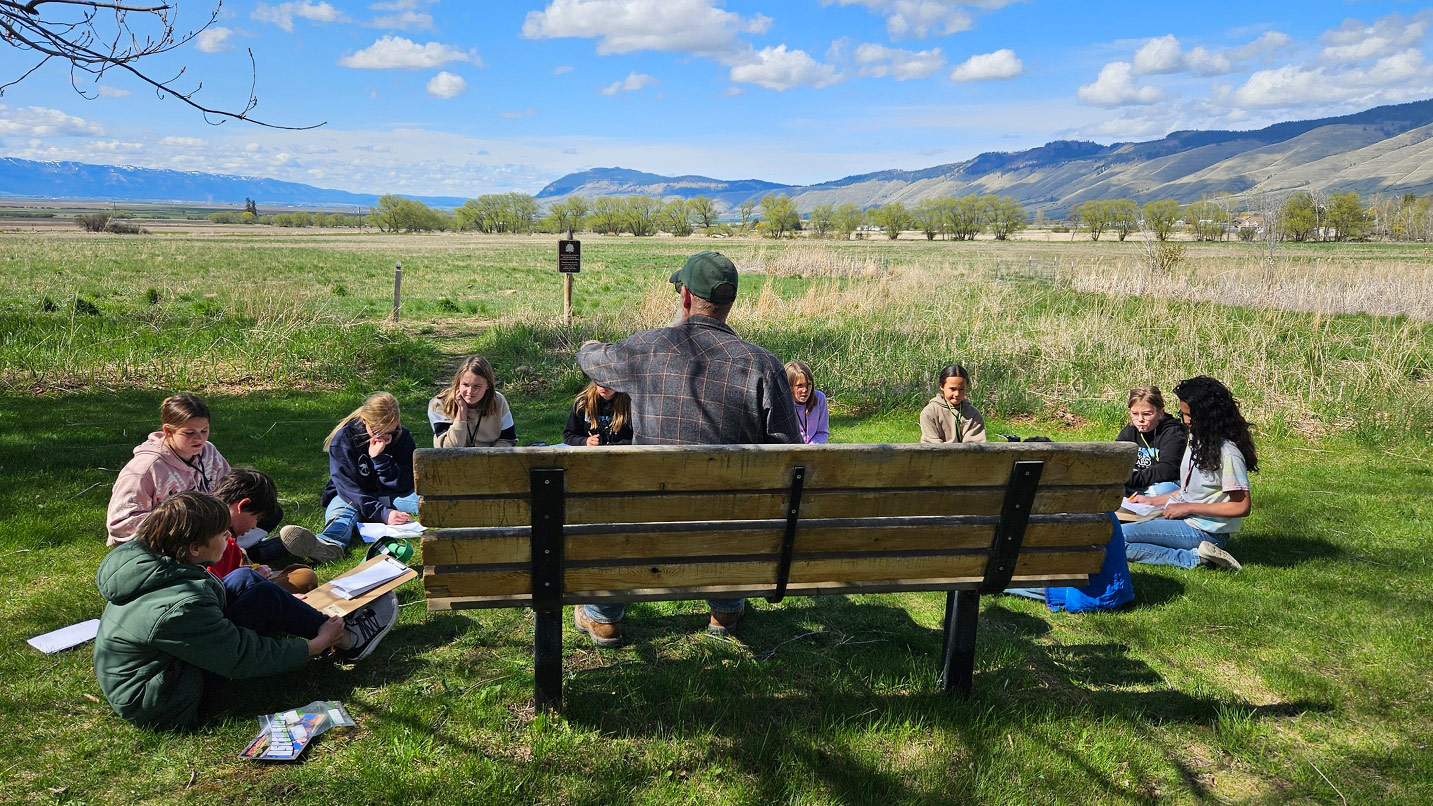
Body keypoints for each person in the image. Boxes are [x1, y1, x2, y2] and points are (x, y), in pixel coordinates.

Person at [575, 250, 801, 644]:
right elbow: (790, 455)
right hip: (730, 527)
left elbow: (591, 359)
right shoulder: (764, 365)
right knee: (732, 507)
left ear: (684, 297)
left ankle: (604, 614)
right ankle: (726, 609)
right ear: (731, 303)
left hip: (652, 520)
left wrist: (593, 343)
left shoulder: (648, 350)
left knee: (610, 507)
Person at [94, 491, 398, 730]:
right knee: (261, 595)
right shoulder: (181, 607)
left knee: (245, 578)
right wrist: (312, 647)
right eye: (221, 534)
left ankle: (336, 630)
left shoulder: (157, 559)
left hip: (167, 665)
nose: (229, 539)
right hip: (164, 699)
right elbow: (241, 656)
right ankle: (346, 641)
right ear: (195, 548)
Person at [1123, 376, 1257, 571]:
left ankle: (1192, 558)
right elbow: (1189, 492)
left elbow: (1241, 506)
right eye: (1183, 413)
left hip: (1205, 531)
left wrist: (1186, 508)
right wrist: (1152, 502)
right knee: (1112, 533)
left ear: (1208, 415)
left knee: (1117, 538)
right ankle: (1202, 555)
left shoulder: (1228, 453)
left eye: (1190, 415)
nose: (1186, 421)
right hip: (1185, 520)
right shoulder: (1198, 440)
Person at [279, 392, 416, 563]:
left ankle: (451, 514)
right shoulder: (345, 439)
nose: (383, 437)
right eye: (376, 431)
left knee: (423, 499)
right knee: (340, 516)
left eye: (389, 432)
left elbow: (406, 483)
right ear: (364, 421)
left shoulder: (402, 437)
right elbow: (348, 488)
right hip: (350, 497)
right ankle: (328, 544)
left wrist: (380, 461)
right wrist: (382, 513)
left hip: (390, 493)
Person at [106, 393, 232, 546]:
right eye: (189, 433)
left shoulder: (208, 453)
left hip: (202, 537)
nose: (199, 439)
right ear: (168, 431)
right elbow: (120, 524)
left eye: (204, 431)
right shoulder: (146, 469)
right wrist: (181, 524)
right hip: (157, 546)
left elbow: (228, 489)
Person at [207, 469, 318, 595]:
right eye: (257, 518)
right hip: (229, 605)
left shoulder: (227, 540)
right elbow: (217, 594)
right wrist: (251, 579)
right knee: (305, 578)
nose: (254, 526)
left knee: (304, 574)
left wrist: (249, 573)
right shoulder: (213, 541)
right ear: (242, 505)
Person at [427, 355, 518, 448]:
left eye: (477, 386)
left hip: (490, 459)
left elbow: (508, 440)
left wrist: (487, 458)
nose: (470, 391)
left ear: (488, 385)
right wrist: (461, 414)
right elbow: (449, 449)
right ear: (458, 383)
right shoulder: (439, 404)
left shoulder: (498, 401)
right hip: (453, 461)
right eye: (465, 384)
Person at [1117, 385, 1186, 496]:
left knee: (1164, 490)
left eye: (1147, 414)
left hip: (1163, 482)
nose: (1140, 419)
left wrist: (1131, 480)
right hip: (1135, 481)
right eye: (1135, 414)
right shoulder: (1130, 431)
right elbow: (1115, 459)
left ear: (1160, 413)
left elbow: (1168, 469)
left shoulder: (1173, 432)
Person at [919, 363, 987, 443]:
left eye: (961, 389)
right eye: (952, 389)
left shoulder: (973, 414)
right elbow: (932, 445)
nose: (957, 394)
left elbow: (976, 445)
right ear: (941, 386)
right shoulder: (930, 412)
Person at [562, 381, 634, 446]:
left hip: (621, 455)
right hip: (589, 455)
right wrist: (585, 441)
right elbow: (568, 435)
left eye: (609, 382)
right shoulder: (583, 403)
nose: (603, 386)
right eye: (599, 381)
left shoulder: (630, 404)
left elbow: (638, 439)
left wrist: (614, 447)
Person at [785, 360, 830, 444]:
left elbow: (822, 432)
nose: (805, 390)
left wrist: (810, 449)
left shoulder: (819, 398)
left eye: (809, 384)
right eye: (800, 386)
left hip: (813, 450)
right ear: (789, 386)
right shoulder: (783, 404)